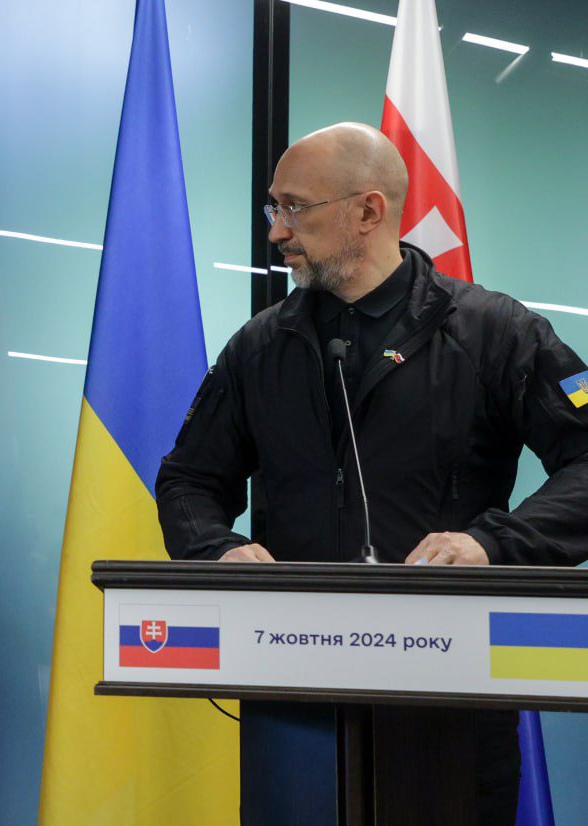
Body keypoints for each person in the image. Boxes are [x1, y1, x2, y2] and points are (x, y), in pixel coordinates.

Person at [156, 123, 588, 823]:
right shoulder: (261, 345)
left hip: (449, 700)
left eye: (295, 208)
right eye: (275, 209)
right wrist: (220, 551)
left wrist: (494, 544)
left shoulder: (494, 332)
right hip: (292, 695)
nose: (277, 232)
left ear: (367, 211)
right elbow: (187, 480)